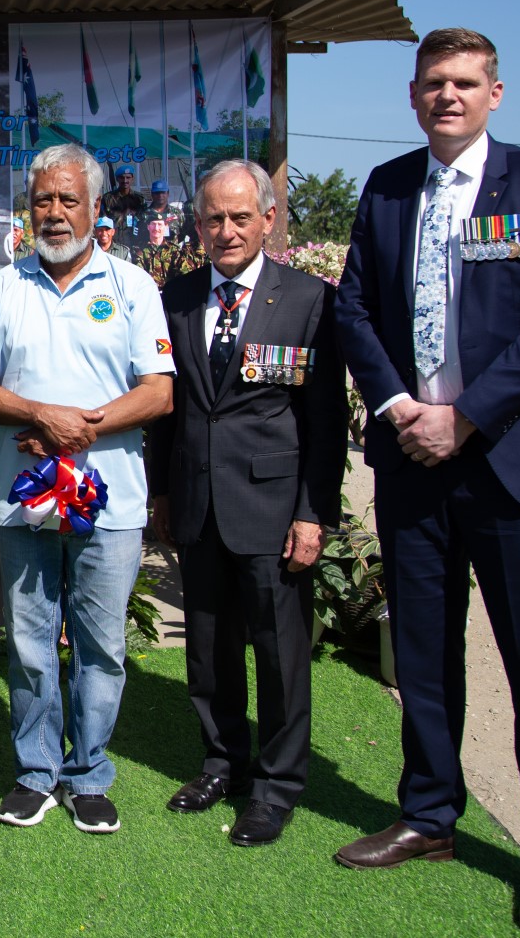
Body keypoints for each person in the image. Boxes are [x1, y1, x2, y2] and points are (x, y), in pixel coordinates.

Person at [333, 28, 520, 934]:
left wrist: (468, 415)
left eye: (465, 83)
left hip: (511, 468)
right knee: (424, 656)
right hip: (414, 460)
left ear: (495, 94)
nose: (448, 95)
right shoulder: (388, 187)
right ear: (413, 96)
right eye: (433, 83)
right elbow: (354, 308)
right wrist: (400, 405)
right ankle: (429, 814)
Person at [0, 143, 174, 834]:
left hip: (111, 502)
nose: (54, 213)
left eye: (68, 199)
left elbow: (159, 392)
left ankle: (89, 774)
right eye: (43, 200)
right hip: (24, 499)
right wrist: (38, 414)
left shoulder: (133, 286)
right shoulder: (4, 287)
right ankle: (35, 772)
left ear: (95, 207)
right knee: (29, 643)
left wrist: (77, 428)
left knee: (101, 645)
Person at [149, 160, 346, 846]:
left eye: (239, 217)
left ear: (268, 219)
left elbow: (325, 422)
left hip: (273, 509)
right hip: (198, 503)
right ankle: (221, 763)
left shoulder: (309, 300)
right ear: (197, 223)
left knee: (279, 654)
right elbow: (168, 407)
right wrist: (163, 490)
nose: (226, 230)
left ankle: (277, 786)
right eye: (213, 218)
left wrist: (313, 513)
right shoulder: (177, 296)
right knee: (208, 649)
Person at [101, 164, 146, 246]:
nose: (125, 180)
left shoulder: (139, 199)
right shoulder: (108, 198)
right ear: (117, 179)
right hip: (114, 242)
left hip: (134, 242)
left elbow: (143, 222)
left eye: (128, 177)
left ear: (132, 178)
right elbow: (102, 221)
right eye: (122, 178)